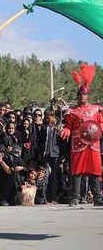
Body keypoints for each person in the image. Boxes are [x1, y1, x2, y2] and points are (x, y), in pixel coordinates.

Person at [59, 64, 103, 206]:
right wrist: (65, 132)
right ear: (77, 95)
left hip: (93, 144)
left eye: (84, 94)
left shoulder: (96, 109)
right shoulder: (72, 111)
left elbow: (100, 124)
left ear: (87, 95)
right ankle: (75, 197)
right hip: (78, 144)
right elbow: (69, 127)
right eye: (80, 94)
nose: (82, 96)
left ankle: (97, 197)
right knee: (77, 171)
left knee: (95, 170)